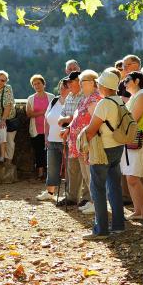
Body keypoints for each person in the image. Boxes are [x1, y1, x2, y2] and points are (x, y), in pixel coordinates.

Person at [83, 69, 126, 239]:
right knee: (114, 187)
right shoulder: (119, 101)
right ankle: (118, 225)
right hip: (117, 147)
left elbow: (91, 130)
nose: (97, 86)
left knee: (98, 188)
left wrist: (85, 147)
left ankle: (101, 229)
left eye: (99, 84)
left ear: (103, 86)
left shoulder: (104, 103)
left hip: (103, 149)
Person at [63, 69, 101, 214]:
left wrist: (87, 138)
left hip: (88, 143)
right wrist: (68, 128)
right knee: (86, 175)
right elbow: (76, 119)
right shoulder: (86, 98)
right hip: (80, 144)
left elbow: (95, 121)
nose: (80, 85)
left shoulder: (94, 98)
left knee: (91, 174)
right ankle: (92, 201)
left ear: (92, 83)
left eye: (82, 82)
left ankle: (96, 203)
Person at [121, 71, 143, 225]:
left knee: (133, 177)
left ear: (136, 80)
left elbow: (132, 119)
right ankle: (138, 211)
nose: (124, 82)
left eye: (127, 80)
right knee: (130, 177)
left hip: (138, 138)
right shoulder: (136, 96)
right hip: (132, 139)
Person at [57, 71, 90, 207]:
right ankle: (72, 197)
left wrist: (67, 120)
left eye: (71, 81)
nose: (68, 84)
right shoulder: (69, 96)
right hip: (70, 137)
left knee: (86, 168)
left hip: (82, 137)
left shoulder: (85, 97)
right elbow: (62, 116)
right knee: (72, 168)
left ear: (79, 81)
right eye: (68, 82)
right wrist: (66, 120)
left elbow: (78, 118)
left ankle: (87, 198)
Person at [37, 78, 69, 201]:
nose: (61, 89)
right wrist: (46, 136)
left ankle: (69, 194)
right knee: (52, 167)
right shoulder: (54, 100)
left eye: (65, 87)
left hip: (66, 141)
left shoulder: (72, 101)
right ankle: (50, 193)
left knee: (69, 169)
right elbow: (46, 119)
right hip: (52, 140)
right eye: (60, 86)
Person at [26, 75, 54, 180]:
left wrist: (37, 113)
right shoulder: (31, 98)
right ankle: (40, 173)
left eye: (38, 83)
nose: (37, 85)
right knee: (39, 152)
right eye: (34, 84)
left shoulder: (51, 97)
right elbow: (29, 114)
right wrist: (44, 112)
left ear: (43, 84)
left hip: (50, 130)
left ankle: (50, 173)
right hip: (36, 130)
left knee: (50, 151)